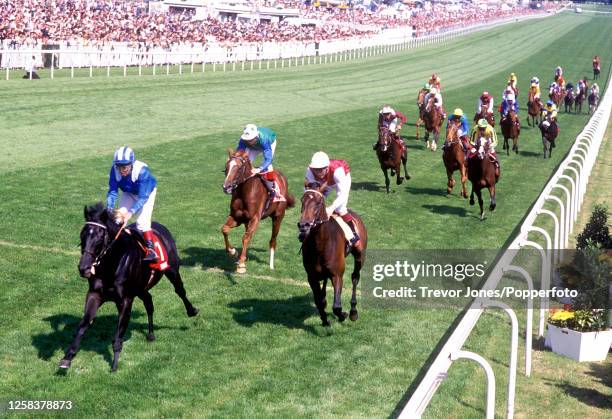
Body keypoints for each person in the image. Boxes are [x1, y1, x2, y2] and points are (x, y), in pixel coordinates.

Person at [107, 146, 158, 262]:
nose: (121, 170)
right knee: (118, 219)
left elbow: (143, 197)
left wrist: (131, 212)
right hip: (128, 192)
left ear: (131, 164)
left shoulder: (142, 171)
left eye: (124, 167)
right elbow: (113, 192)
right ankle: (113, 245)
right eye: (119, 166)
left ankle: (151, 250)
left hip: (146, 194)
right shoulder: (114, 171)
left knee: (141, 222)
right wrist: (109, 209)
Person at [305, 152, 360, 246]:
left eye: (320, 170)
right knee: (313, 204)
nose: (317, 173)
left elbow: (342, 194)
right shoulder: (310, 170)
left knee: (340, 209)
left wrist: (331, 208)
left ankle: (353, 234)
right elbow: (310, 192)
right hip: (326, 182)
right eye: (315, 170)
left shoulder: (338, 171)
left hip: (342, 179)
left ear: (326, 168)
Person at [235, 123, 280, 199]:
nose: (249, 142)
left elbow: (268, 159)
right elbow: (239, 153)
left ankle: (272, 187)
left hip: (269, 144)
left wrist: (259, 169)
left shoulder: (264, 139)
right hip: (255, 147)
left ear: (256, 136)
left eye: (251, 140)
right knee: (244, 163)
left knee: (267, 167)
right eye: (247, 140)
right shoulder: (243, 140)